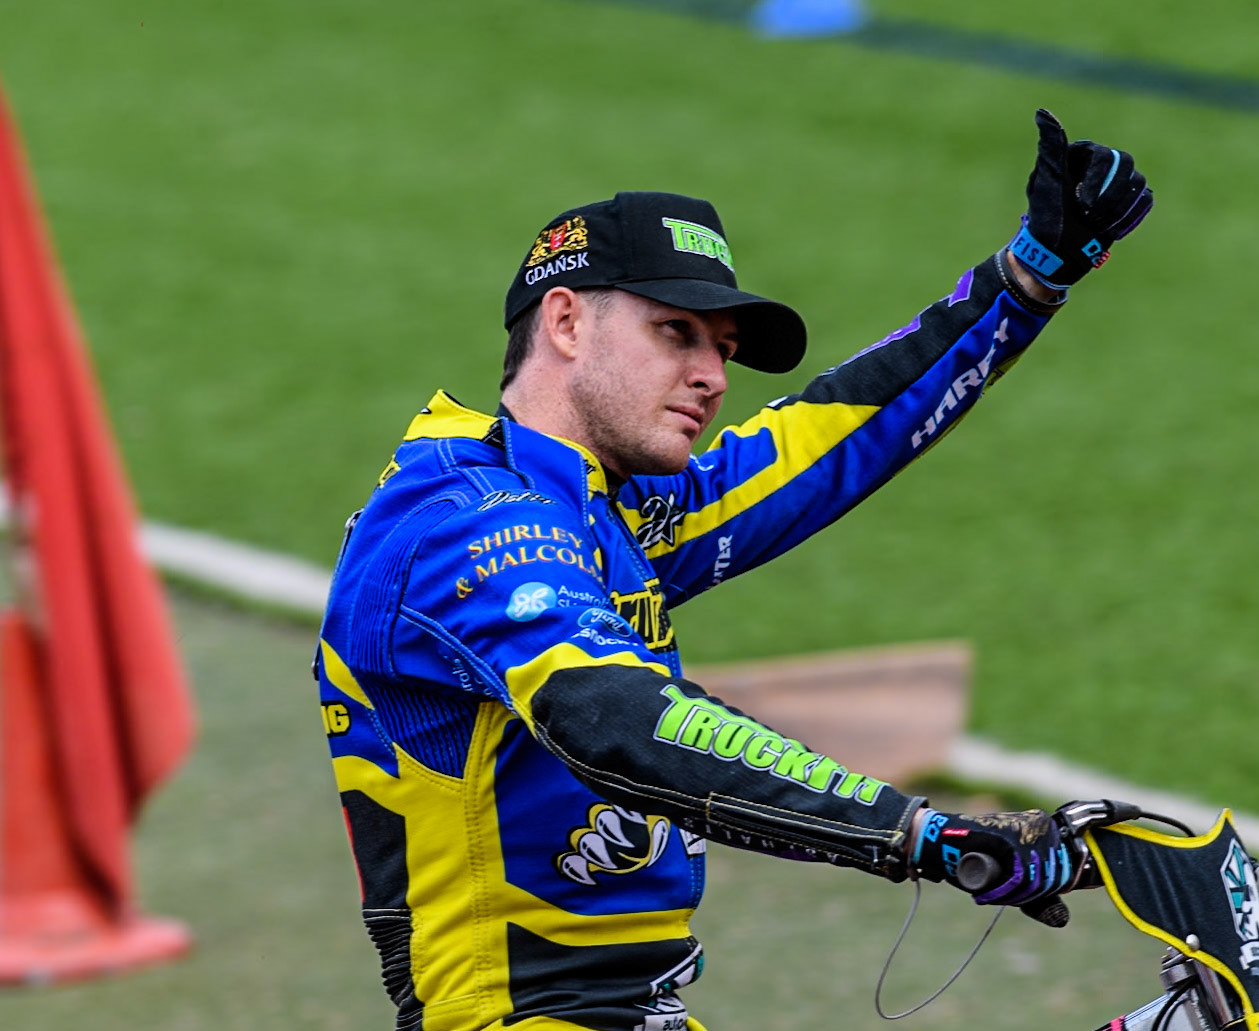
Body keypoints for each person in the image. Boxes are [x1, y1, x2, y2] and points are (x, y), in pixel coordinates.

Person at [315, 108, 1152, 1031]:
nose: (713, 375)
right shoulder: (462, 522)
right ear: (566, 321)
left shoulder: (598, 507)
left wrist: (1028, 278)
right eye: (676, 332)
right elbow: (619, 718)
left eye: (721, 348)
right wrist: (919, 833)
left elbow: (820, 444)